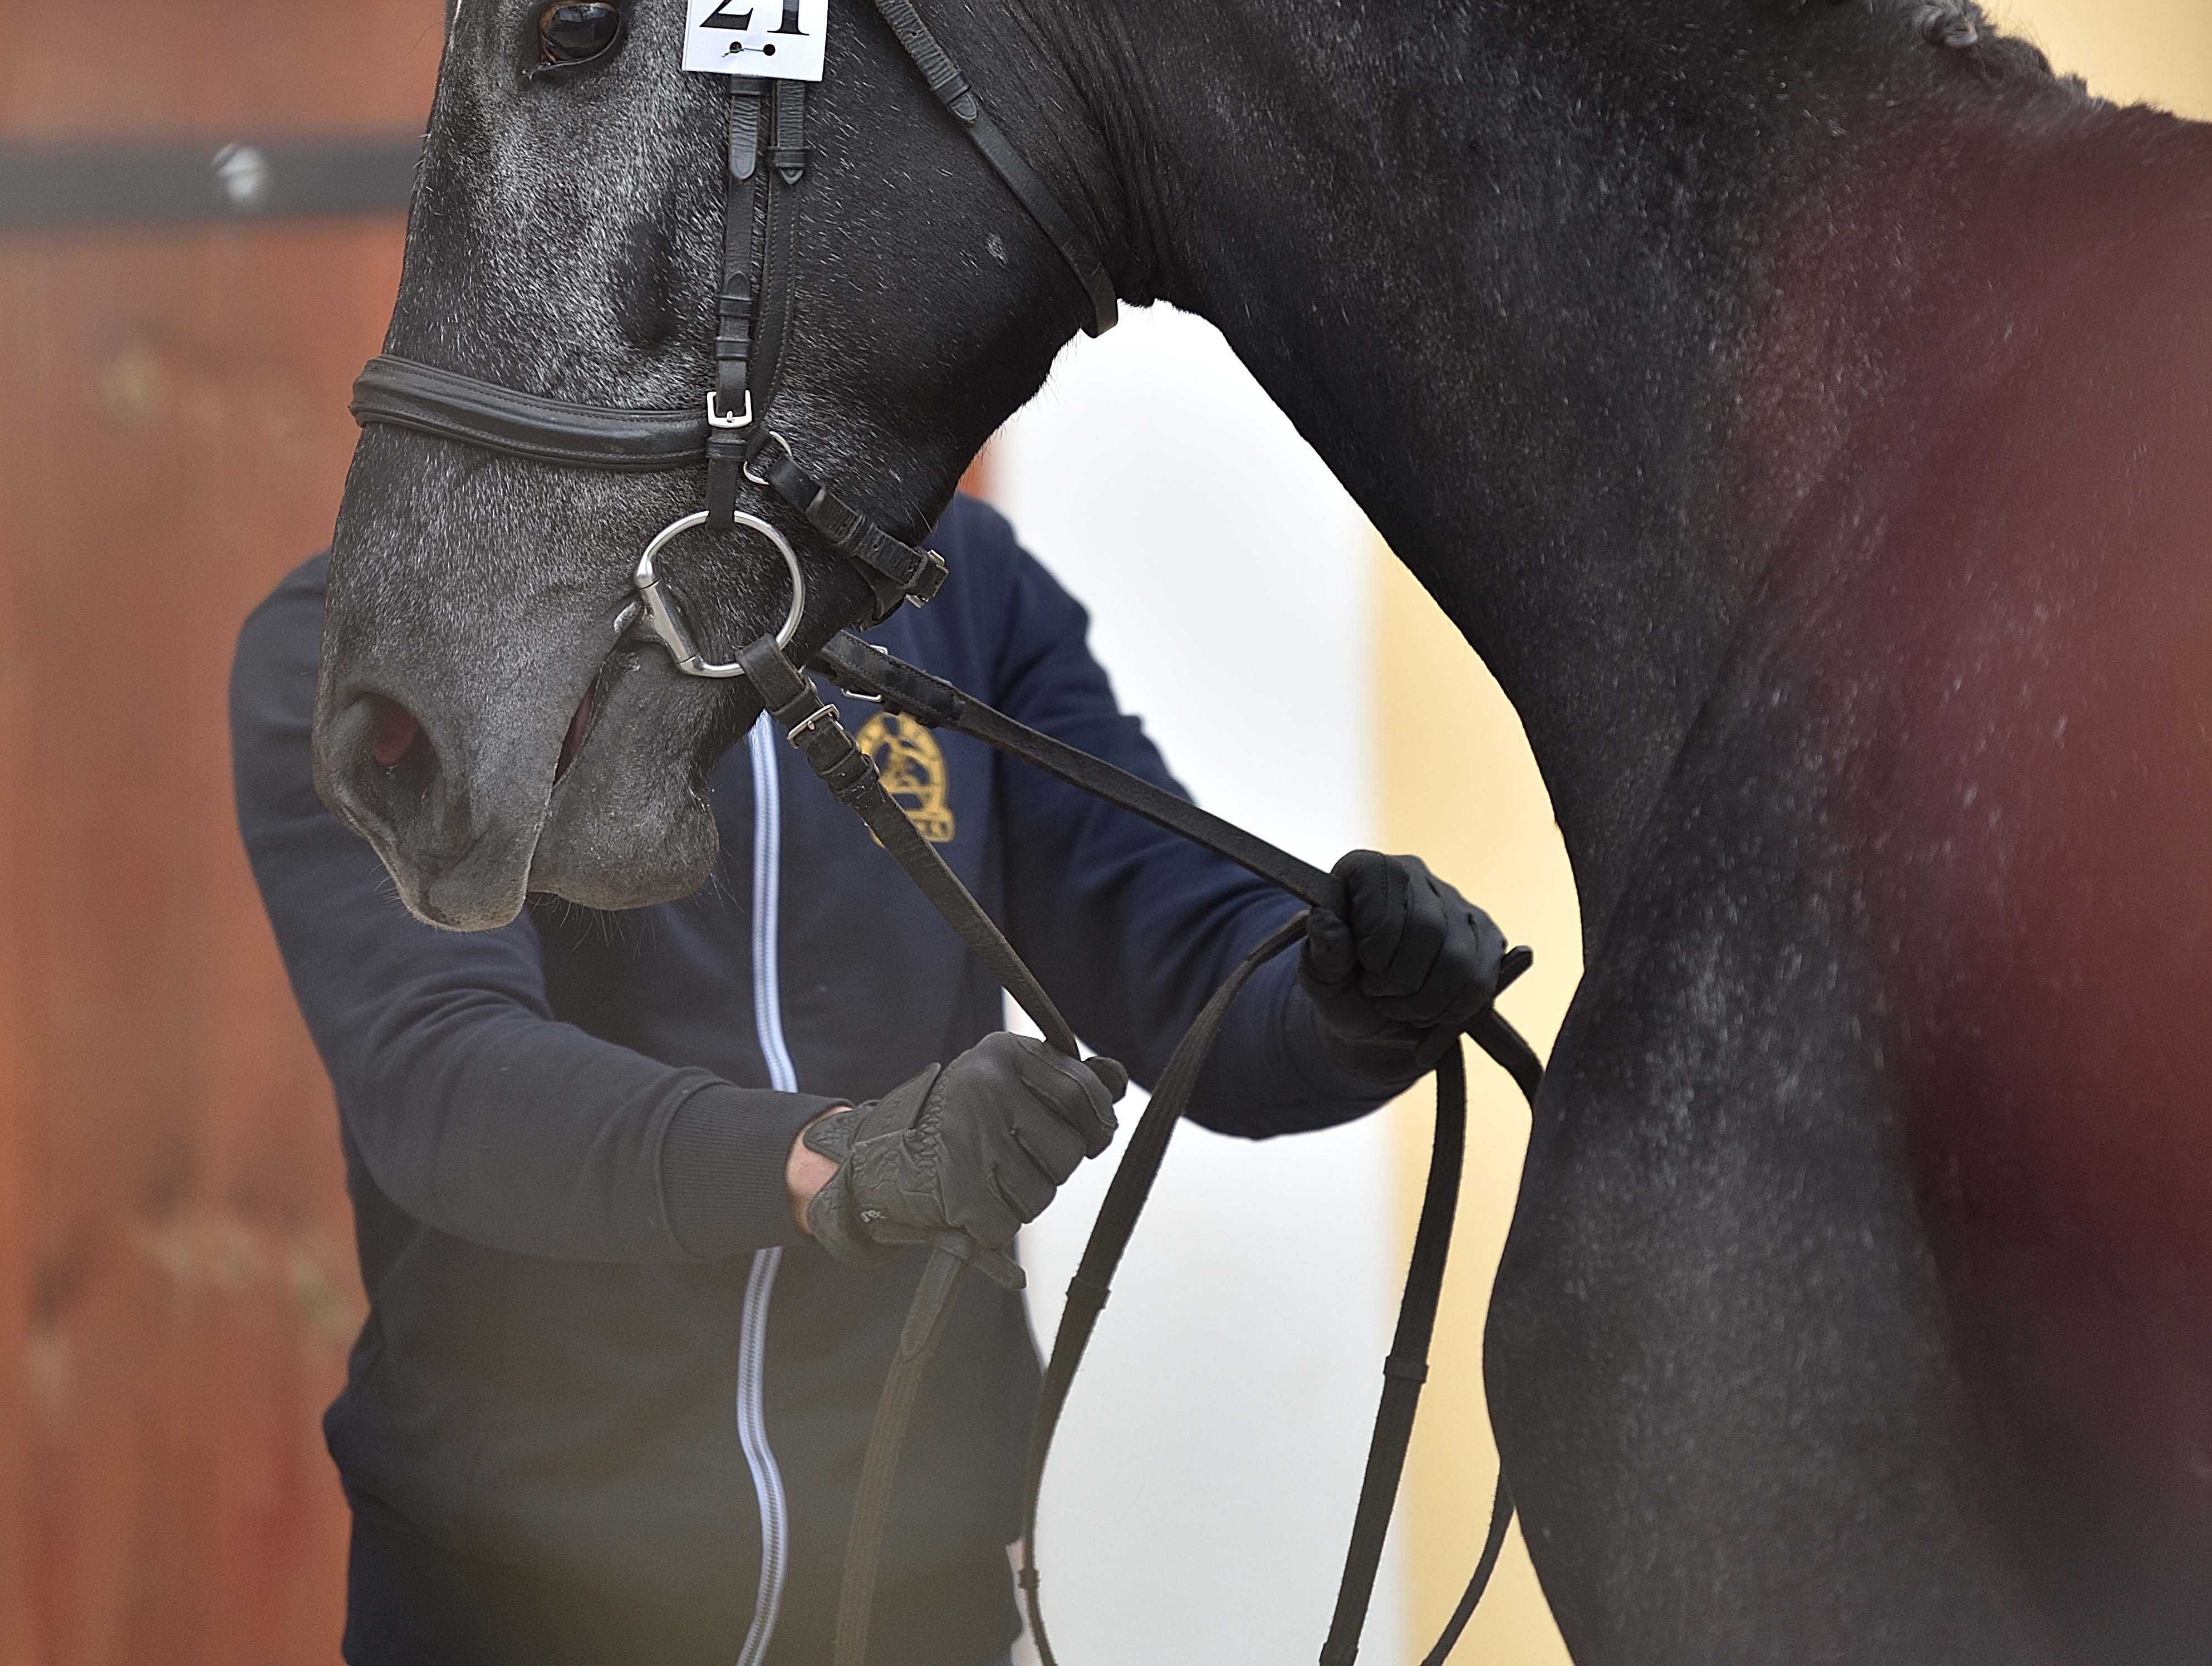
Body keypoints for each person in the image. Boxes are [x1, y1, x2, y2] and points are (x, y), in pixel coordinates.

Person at [232, 491, 1507, 1666]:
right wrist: (834, 1158)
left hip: (915, 1591)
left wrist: (1348, 1003)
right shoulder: (390, 630)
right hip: (517, 1595)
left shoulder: (960, 582)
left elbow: (1178, 960)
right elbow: (446, 1082)